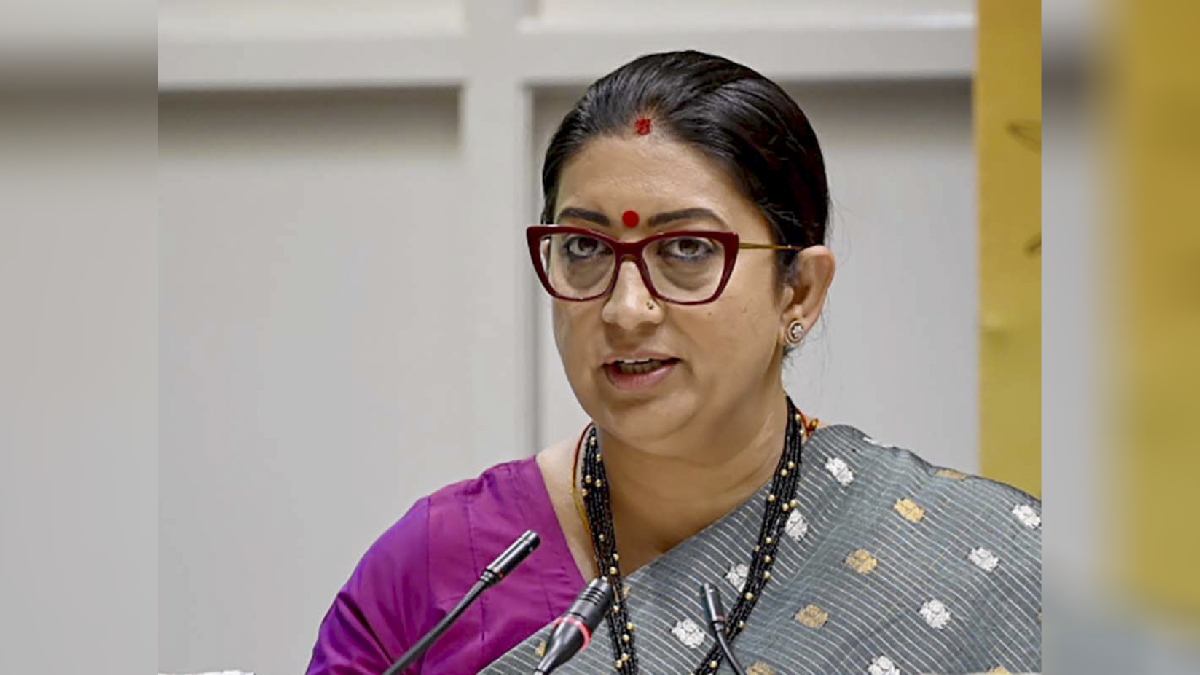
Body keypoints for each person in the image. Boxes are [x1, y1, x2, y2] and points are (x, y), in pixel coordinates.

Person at [305, 50, 1041, 675]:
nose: (626, 309)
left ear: (800, 290)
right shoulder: (443, 569)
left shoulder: (979, 565)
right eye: (585, 247)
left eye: (687, 249)